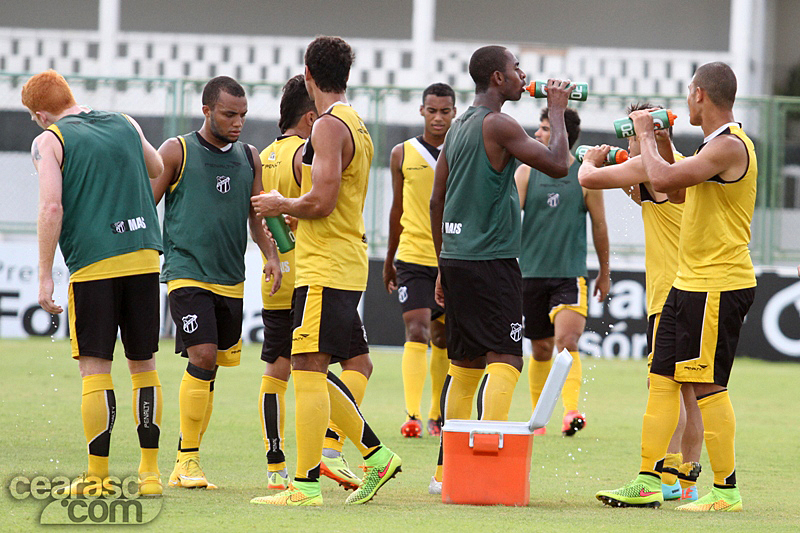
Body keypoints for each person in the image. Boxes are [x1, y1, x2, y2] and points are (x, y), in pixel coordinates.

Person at [595, 62, 757, 512]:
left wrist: (645, 134)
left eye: (689, 93)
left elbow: (663, 181)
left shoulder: (729, 145)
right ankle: (649, 478)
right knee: (662, 377)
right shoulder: (712, 146)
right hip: (690, 283)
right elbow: (680, 192)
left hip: (718, 282)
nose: (685, 101)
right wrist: (659, 143)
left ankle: (725, 490)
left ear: (700, 94)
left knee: (706, 386)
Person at [250, 36, 401, 506]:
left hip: (325, 266)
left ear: (308, 74)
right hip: (339, 257)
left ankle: (305, 487)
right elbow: (335, 201)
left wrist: (282, 203)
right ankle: (375, 457)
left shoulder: (329, 128)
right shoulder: (354, 122)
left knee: (307, 369)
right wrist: (301, 212)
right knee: (317, 368)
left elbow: (324, 199)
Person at [428, 45, 573, 494]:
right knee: (507, 359)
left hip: (456, 257)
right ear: (497, 78)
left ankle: (443, 474)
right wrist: (557, 112)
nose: (522, 74)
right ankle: (486, 463)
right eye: (515, 69)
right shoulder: (499, 124)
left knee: (466, 364)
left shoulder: (458, 127)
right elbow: (559, 163)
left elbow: (437, 200)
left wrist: (441, 265)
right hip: (491, 260)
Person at [23, 69, 165, 496]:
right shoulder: (125, 121)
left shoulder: (50, 140)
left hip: (95, 262)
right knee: (144, 366)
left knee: (95, 368)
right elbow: (157, 166)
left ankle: (98, 478)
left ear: (42, 114)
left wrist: (45, 273)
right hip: (143, 255)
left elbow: (51, 208)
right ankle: (151, 475)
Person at [151, 76, 282, 490]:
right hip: (186, 271)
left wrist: (272, 255)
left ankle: (189, 460)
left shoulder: (249, 157)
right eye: (229, 114)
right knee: (203, 354)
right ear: (206, 110)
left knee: (211, 370)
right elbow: (144, 202)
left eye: (243, 115)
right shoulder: (177, 150)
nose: (238, 122)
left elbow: (257, 217)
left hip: (231, 278)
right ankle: (185, 460)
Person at [579, 102, 704, 502]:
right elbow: (649, 196)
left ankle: (655, 478)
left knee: (663, 384)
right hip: (689, 287)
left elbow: (590, 178)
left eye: (631, 135)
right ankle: (681, 481)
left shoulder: (653, 169)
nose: (629, 145)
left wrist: (593, 159)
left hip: (669, 293)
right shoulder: (679, 165)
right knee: (688, 390)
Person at [257, 74, 363, 492]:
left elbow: (261, 217)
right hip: (317, 271)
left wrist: (271, 255)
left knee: (280, 372)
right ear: (308, 115)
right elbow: (321, 200)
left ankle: (277, 466)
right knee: (344, 365)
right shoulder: (326, 138)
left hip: (282, 276)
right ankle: (334, 454)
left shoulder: (262, 156)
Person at [514, 107, 610, 438]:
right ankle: (539, 420)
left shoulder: (585, 176)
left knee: (567, 342)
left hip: (569, 275)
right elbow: (511, 223)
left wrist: (605, 272)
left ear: (561, 135)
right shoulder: (526, 173)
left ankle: (571, 411)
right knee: (540, 349)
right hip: (530, 276)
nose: (538, 135)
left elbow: (599, 226)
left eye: (543, 129)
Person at [383, 82, 456, 438]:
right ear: (422, 111)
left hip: (452, 258)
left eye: (445, 111)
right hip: (411, 256)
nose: (438, 117)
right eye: (432, 110)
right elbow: (396, 207)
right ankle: (411, 414)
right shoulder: (402, 152)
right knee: (416, 329)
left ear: (454, 112)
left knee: (443, 338)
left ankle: (436, 415)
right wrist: (388, 259)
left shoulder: (462, 151)